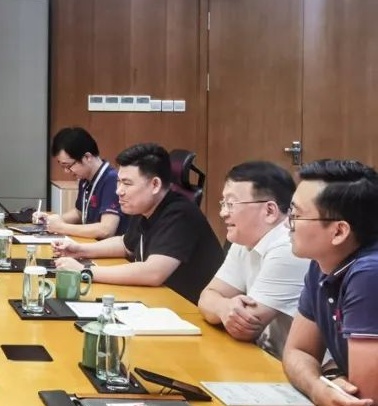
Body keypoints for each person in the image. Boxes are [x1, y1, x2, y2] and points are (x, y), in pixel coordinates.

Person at [54, 142, 224, 304]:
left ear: (155, 185)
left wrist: (85, 272)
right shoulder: (144, 206)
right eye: (119, 182)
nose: (119, 191)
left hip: (189, 311)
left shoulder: (180, 214)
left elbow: (153, 272)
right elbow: (125, 244)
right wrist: (80, 250)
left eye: (127, 183)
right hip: (160, 301)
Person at [282, 159, 378, 406]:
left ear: (339, 231)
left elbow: (365, 404)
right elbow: (297, 351)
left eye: (296, 215)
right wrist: (319, 388)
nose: (287, 224)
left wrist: (325, 383)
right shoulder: (323, 264)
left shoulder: (370, 274)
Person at [197, 161, 308, 358]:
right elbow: (207, 296)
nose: (223, 213)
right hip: (268, 357)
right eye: (224, 204)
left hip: (296, 367)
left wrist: (222, 308)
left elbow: (244, 327)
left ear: (270, 211)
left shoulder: (288, 247)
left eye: (231, 204)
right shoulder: (244, 240)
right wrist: (224, 308)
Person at [33, 127, 127, 239]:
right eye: (63, 166)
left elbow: (106, 230)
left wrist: (62, 227)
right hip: (90, 243)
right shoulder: (84, 179)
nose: (66, 171)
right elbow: (80, 213)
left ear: (87, 157)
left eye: (68, 166)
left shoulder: (111, 180)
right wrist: (51, 221)